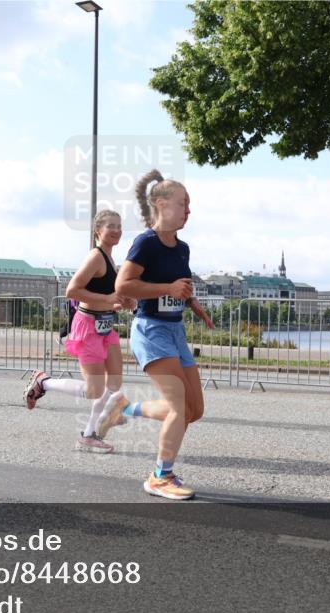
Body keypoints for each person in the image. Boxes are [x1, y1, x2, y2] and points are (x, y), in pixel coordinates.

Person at [95, 169, 214, 499]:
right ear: (161, 204)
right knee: (178, 408)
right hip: (151, 331)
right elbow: (124, 285)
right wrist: (168, 288)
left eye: (189, 205)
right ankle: (160, 476)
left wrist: (194, 304)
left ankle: (124, 409)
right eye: (183, 203)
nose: (188, 210)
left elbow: (180, 286)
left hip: (176, 331)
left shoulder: (182, 248)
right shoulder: (146, 243)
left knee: (194, 410)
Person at [24, 210, 134, 453]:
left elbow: (103, 296)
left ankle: (90, 434)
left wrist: (119, 303)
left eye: (119, 226)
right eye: (111, 226)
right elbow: (72, 290)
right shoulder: (95, 257)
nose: (117, 231)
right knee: (94, 389)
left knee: (114, 383)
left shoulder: (110, 258)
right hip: (88, 327)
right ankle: (44, 382)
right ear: (97, 231)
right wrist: (108, 298)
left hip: (106, 325)